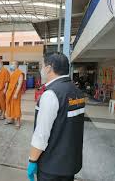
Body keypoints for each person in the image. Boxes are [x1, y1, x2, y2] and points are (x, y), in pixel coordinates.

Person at [27, 53, 85, 181]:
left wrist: (32, 160)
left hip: (51, 167)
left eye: (43, 66)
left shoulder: (51, 94)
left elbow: (41, 134)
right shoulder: (77, 91)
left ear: (49, 68)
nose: (42, 69)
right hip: (70, 164)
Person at [5, 61, 24, 128]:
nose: (11, 65)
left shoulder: (20, 73)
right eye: (11, 64)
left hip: (15, 92)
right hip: (10, 92)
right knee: (10, 105)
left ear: (17, 65)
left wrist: (16, 93)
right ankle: (12, 119)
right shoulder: (11, 73)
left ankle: (18, 122)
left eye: (13, 64)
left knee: (16, 106)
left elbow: (19, 84)